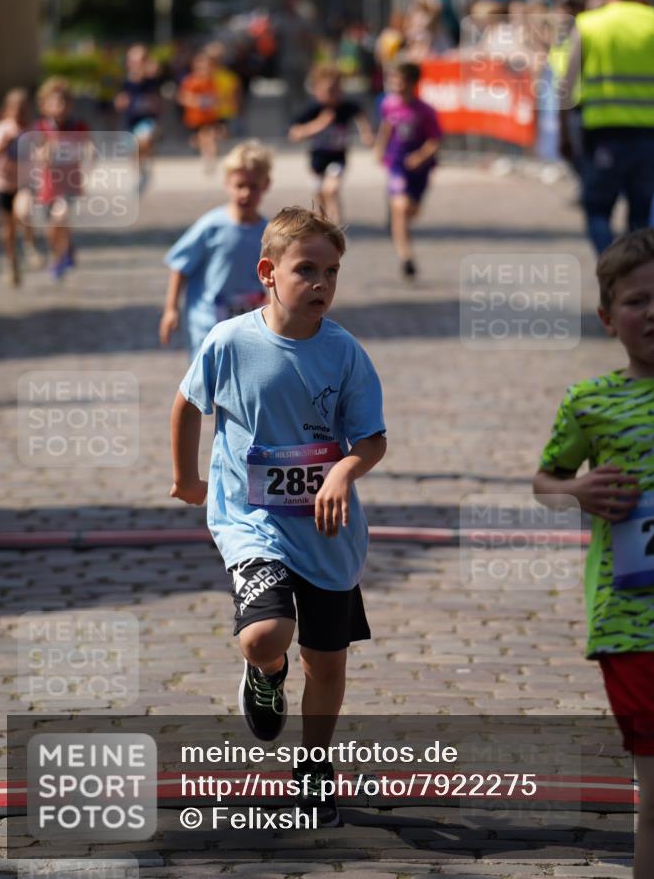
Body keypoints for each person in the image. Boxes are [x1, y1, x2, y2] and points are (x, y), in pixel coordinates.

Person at [169, 206, 386, 826]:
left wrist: (342, 472)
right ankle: (266, 672)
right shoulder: (229, 341)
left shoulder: (345, 353)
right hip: (250, 520)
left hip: (325, 532)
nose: (321, 283)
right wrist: (188, 480)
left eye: (332, 272)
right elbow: (187, 405)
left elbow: (371, 439)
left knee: (327, 662)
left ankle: (314, 767)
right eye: (306, 270)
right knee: (265, 635)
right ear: (268, 272)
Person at [533, 229, 654, 879]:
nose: (653, 313)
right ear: (608, 319)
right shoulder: (590, 403)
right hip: (630, 621)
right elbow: (545, 481)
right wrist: (576, 491)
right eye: (637, 301)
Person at [561, 0, 654, 254]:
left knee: (597, 210)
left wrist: (564, 134)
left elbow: (565, 87)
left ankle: (610, 265)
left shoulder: (589, 24)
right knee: (641, 217)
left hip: (604, 135)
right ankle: (636, 272)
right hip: (648, 136)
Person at [160, 140, 272, 359]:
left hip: (249, 324)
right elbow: (180, 266)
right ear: (227, 183)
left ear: (266, 184)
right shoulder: (212, 225)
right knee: (208, 375)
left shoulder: (269, 233)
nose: (246, 193)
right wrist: (171, 309)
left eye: (253, 186)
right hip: (207, 323)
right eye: (240, 185)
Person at [375, 61, 443, 278]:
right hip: (397, 164)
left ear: (413, 83)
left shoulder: (425, 111)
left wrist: (420, 156)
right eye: (393, 80)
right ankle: (406, 257)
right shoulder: (388, 104)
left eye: (400, 81)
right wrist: (380, 148)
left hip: (421, 169)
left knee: (410, 211)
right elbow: (386, 127)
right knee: (401, 206)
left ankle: (396, 219)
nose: (396, 85)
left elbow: (435, 140)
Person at [289, 65, 373, 226]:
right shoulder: (312, 110)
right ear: (316, 91)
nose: (335, 94)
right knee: (319, 194)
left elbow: (360, 115)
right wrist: (319, 124)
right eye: (329, 91)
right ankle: (324, 225)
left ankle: (337, 226)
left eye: (337, 89)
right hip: (317, 158)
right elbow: (295, 134)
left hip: (337, 157)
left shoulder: (345, 107)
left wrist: (366, 133)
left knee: (331, 189)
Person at [30, 77, 90, 280]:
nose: (60, 107)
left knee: (60, 216)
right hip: (48, 184)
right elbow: (36, 154)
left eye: (63, 102)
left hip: (69, 182)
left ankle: (59, 259)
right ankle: (64, 249)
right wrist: (45, 152)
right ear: (44, 106)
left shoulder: (78, 126)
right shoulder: (41, 128)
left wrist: (87, 156)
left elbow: (88, 148)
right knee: (52, 228)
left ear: (70, 105)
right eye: (54, 103)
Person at [0, 88, 42, 285]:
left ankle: (29, 246)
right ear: (7, 109)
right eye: (15, 109)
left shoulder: (33, 129)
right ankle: (11, 263)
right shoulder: (2, 129)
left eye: (23, 109)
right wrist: (3, 144)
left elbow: (42, 152)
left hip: (24, 182)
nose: (19, 113)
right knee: (8, 227)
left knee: (24, 212)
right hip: (4, 183)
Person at [114, 44, 162, 193]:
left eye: (141, 60)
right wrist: (121, 102)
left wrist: (153, 104)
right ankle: (142, 174)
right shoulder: (125, 82)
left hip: (147, 120)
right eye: (134, 61)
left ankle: (146, 165)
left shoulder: (151, 81)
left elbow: (158, 102)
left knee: (144, 139)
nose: (138, 65)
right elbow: (119, 102)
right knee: (133, 152)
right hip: (131, 122)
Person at [177, 49, 222, 171]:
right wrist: (197, 102)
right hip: (195, 118)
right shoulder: (191, 81)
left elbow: (215, 97)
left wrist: (216, 102)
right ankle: (201, 149)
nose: (205, 69)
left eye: (208, 66)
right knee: (200, 139)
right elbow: (182, 97)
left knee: (210, 137)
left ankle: (210, 159)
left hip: (209, 117)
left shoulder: (212, 81)